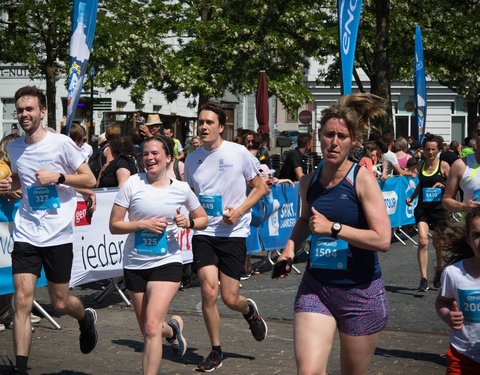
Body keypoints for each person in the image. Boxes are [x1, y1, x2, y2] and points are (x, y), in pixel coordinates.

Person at [275, 93, 390, 375]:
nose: (334, 142)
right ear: (319, 136)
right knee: (309, 371)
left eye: (341, 136)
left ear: (352, 141)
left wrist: (334, 229)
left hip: (360, 292)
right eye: (329, 135)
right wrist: (290, 248)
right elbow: (304, 220)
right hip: (317, 288)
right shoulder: (308, 181)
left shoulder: (361, 179)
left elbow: (383, 240)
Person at [0, 86, 97, 374]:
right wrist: (9, 186)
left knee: (59, 302)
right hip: (28, 232)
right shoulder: (15, 148)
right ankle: (21, 368)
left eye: (29, 109)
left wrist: (59, 176)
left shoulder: (62, 144)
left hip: (58, 234)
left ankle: (85, 319)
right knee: (21, 300)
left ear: (43, 112)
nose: (24, 114)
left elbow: (89, 179)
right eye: (19, 110)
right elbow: (23, 181)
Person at [110, 135, 207, 375]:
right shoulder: (133, 183)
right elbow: (114, 225)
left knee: (152, 327)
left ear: (168, 158)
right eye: (145, 153)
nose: (149, 158)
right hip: (135, 262)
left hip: (168, 261)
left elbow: (203, 219)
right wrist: (143, 225)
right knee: (147, 328)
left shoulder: (181, 188)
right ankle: (173, 331)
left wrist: (189, 222)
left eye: (155, 153)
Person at [184, 102, 267, 372]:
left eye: (209, 122)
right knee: (209, 290)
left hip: (233, 231)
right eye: (201, 122)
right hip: (205, 231)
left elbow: (260, 187)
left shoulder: (238, 152)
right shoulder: (191, 159)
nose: (204, 126)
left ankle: (249, 311)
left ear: (221, 127)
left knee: (230, 299)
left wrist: (239, 210)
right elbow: (191, 196)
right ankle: (216, 350)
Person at [434, 207, 480, 374]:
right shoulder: (453, 273)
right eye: (477, 235)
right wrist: (447, 315)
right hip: (462, 357)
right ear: (468, 239)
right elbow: (442, 301)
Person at [406, 133, 450, 291]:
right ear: (423, 150)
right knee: (423, 241)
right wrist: (411, 197)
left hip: (439, 209)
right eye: (427, 149)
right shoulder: (420, 165)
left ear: (438, 150)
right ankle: (423, 278)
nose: (430, 152)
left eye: (433, 149)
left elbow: (452, 187)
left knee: (438, 243)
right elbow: (420, 184)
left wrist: (443, 185)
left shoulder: (444, 166)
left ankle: (439, 269)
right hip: (424, 207)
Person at [443, 118, 480, 214]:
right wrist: (464, 206)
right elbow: (446, 200)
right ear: (474, 135)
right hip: (471, 227)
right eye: (479, 133)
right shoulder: (460, 165)